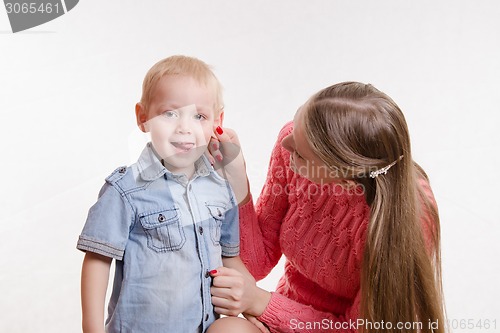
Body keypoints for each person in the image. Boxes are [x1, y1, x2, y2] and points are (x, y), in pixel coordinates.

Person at [206, 82, 446, 333]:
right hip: (285, 316)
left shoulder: (408, 221)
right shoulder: (294, 142)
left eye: (300, 153)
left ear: (344, 178)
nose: (286, 144)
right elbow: (256, 264)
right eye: (297, 125)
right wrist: (237, 182)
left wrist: (260, 302)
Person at [77, 55, 243, 333]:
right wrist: (91, 328)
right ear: (143, 117)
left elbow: (231, 258)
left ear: (217, 120)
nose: (184, 128)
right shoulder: (126, 188)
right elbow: (98, 258)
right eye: (170, 114)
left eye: (199, 116)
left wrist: (252, 310)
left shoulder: (220, 189)